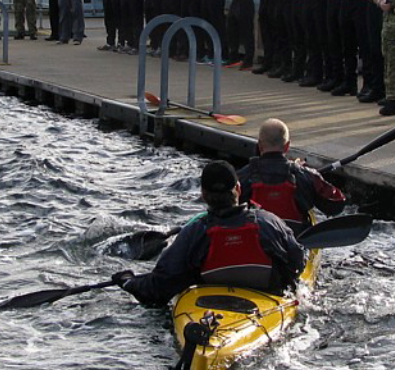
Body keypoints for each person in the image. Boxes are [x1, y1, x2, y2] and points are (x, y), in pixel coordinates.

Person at [118, 160, 307, 307]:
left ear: (203, 194)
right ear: (239, 189)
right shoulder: (270, 222)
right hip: (267, 305)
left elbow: (158, 289)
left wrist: (128, 282)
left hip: (209, 309)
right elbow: (298, 262)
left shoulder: (194, 232)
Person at [238, 119, 346, 233]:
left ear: (259, 145)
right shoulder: (305, 175)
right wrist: (309, 172)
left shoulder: (241, 177)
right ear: (287, 146)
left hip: (257, 241)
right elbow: (337, 205)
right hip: (295, 240)